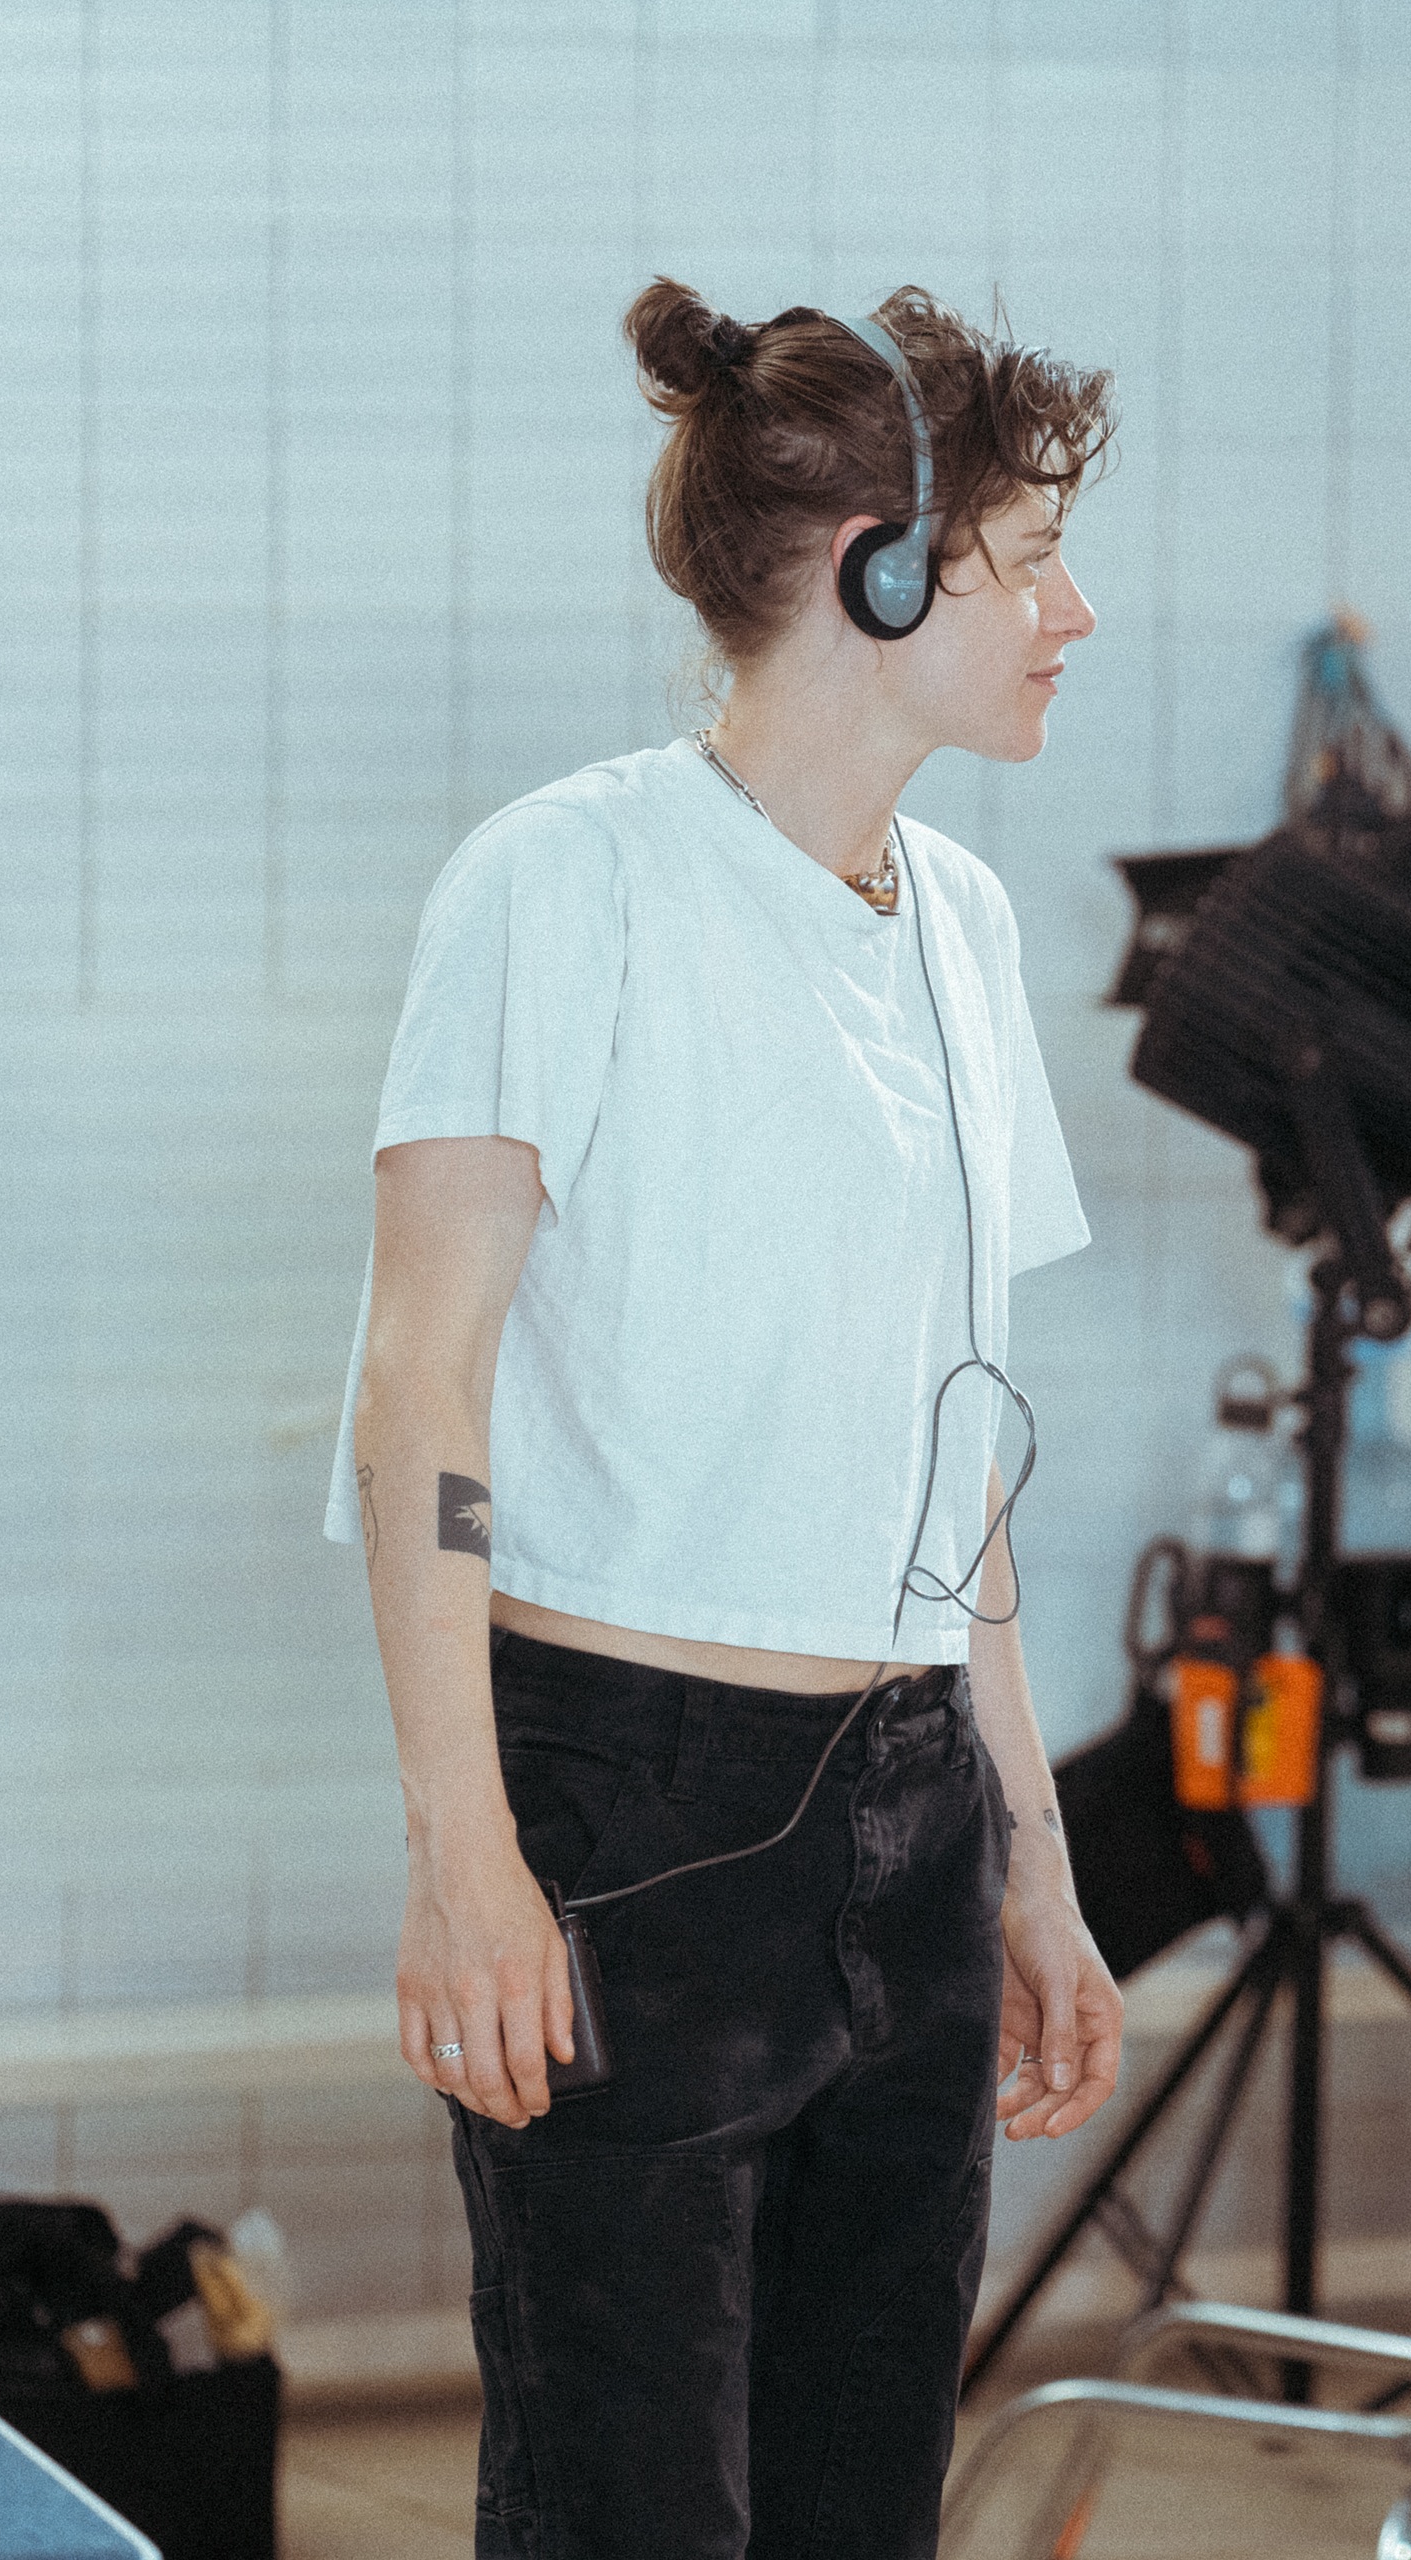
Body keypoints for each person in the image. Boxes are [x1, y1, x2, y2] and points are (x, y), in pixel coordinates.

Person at [321, 278, 1125, 2559]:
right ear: (884, 567)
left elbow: (949, 1439)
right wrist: (463, 1844)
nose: (1077, 609)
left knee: (860, 2505)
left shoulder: (959, 919)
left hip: (911, 1804)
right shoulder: (558, 881)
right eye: (1027, 554)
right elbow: (419, 1376)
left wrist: (1032, 1851)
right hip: (631, 1799)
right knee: (628, 2508)